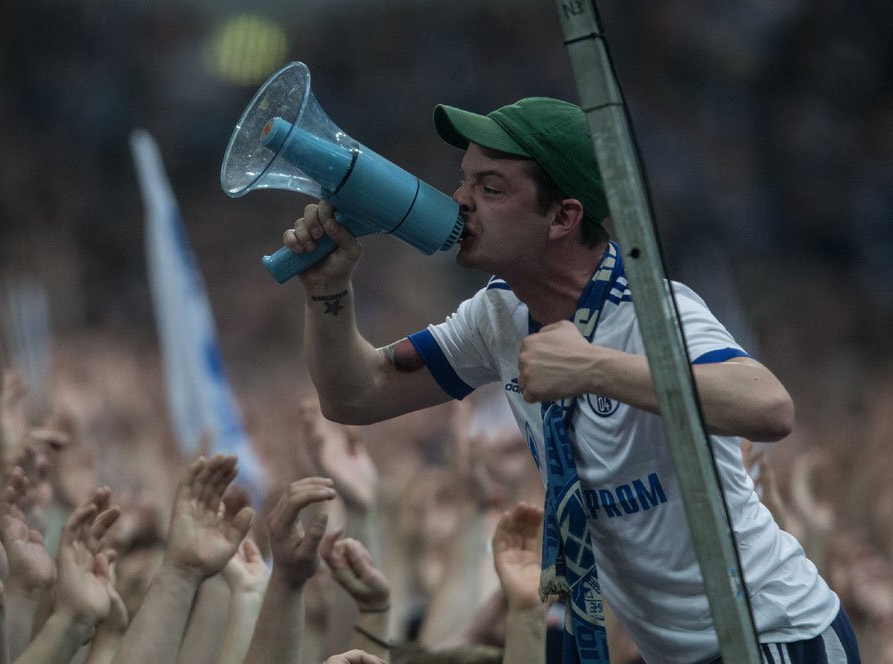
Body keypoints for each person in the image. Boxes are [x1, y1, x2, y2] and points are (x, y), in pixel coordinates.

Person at [280, 97, 860, 662]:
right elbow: (356, 395)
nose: (460, 200)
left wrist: (595, 368)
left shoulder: (652, 310)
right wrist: (328, 292)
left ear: (563, 216)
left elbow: (770, 407)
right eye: (464, 180)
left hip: (775, 636)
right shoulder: (496, 315)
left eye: (491, 187)